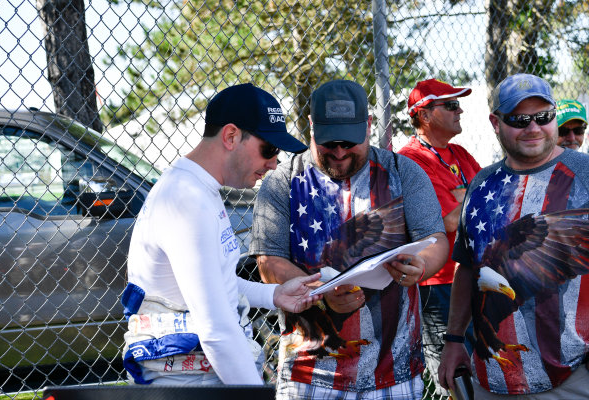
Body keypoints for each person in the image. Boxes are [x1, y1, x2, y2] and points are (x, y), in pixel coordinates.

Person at [249, 79, 449, 399]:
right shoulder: (282, 181)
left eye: (350, 142)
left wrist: (420, 265)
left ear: (368, 126)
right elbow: (268, 261)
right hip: (308, 371)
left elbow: (435, 239)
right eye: (330, 143)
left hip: (392, 370)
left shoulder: (402, 172)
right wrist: (319, 292)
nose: (340, 153)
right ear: (312, 126)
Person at [120, 83, 324, 386]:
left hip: (201, 374)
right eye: (268, 149)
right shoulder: (188, 199)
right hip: (188, 382)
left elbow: (216, 284)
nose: (273, 163)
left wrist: (275, 294)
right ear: (231, 136)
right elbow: (215, 329)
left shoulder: (199, 189)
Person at [438, 73, 589, 398]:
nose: (533, 127)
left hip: (573, 375)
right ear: (496, 122)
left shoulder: (585, 174)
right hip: (492, 375)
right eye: (519, 119)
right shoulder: (481, 184)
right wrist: (453, 340)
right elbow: (467, 267)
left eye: (543, 117)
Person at [398, 78, 481, 395]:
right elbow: (447, 221)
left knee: (484, 366)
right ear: (425, 114)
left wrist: (464, 197)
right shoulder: (411, 159)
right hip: (439, 283)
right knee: (455, 376)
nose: (460, 110)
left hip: (473, 274)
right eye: (451, 104)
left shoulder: (459, 153)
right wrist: (471, 198)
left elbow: (494, 203)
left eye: (458, 103)